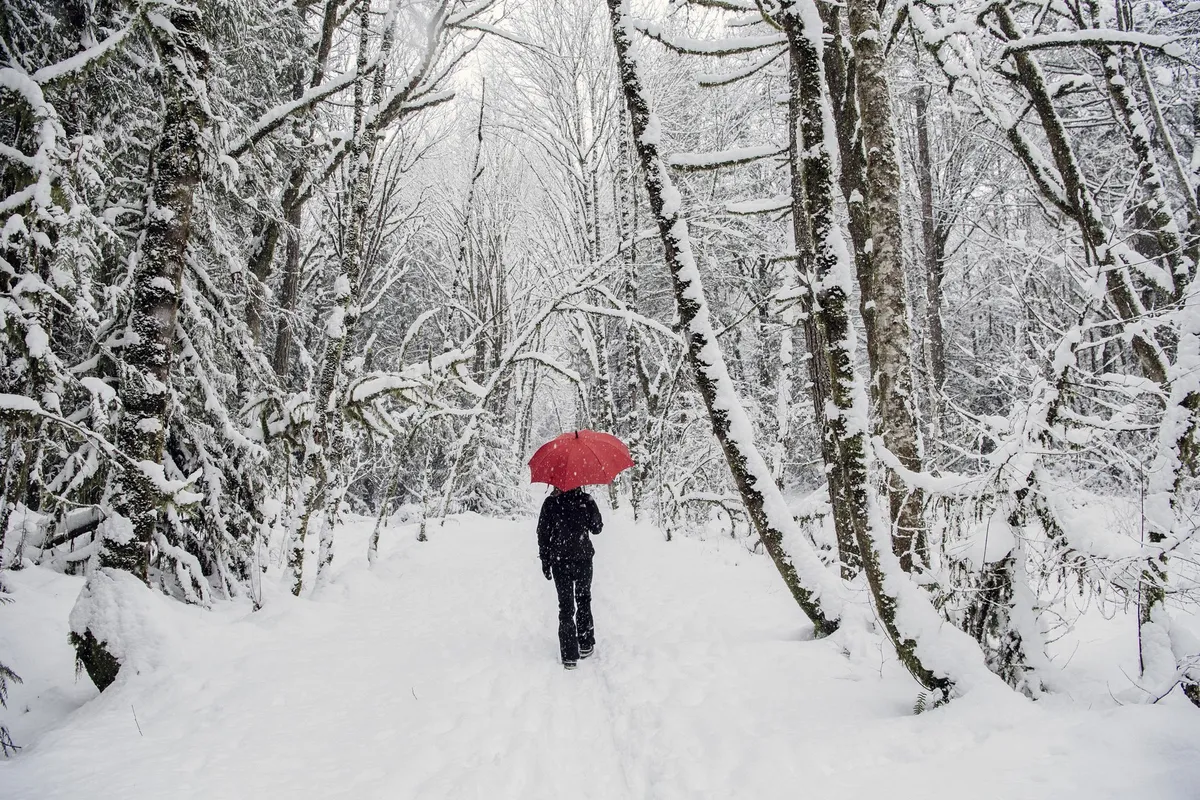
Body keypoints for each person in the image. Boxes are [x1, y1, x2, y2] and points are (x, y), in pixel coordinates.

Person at [537, 486, 603, 669]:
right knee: (583, 599)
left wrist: (545, 561)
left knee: (566, 607)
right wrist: (591, 511)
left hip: (560, 561)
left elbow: (543, 534)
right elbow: (597, 529)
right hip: (583, 559)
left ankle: (569, 655)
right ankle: (585, 643)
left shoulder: (551, 503)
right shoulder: (586, 500)